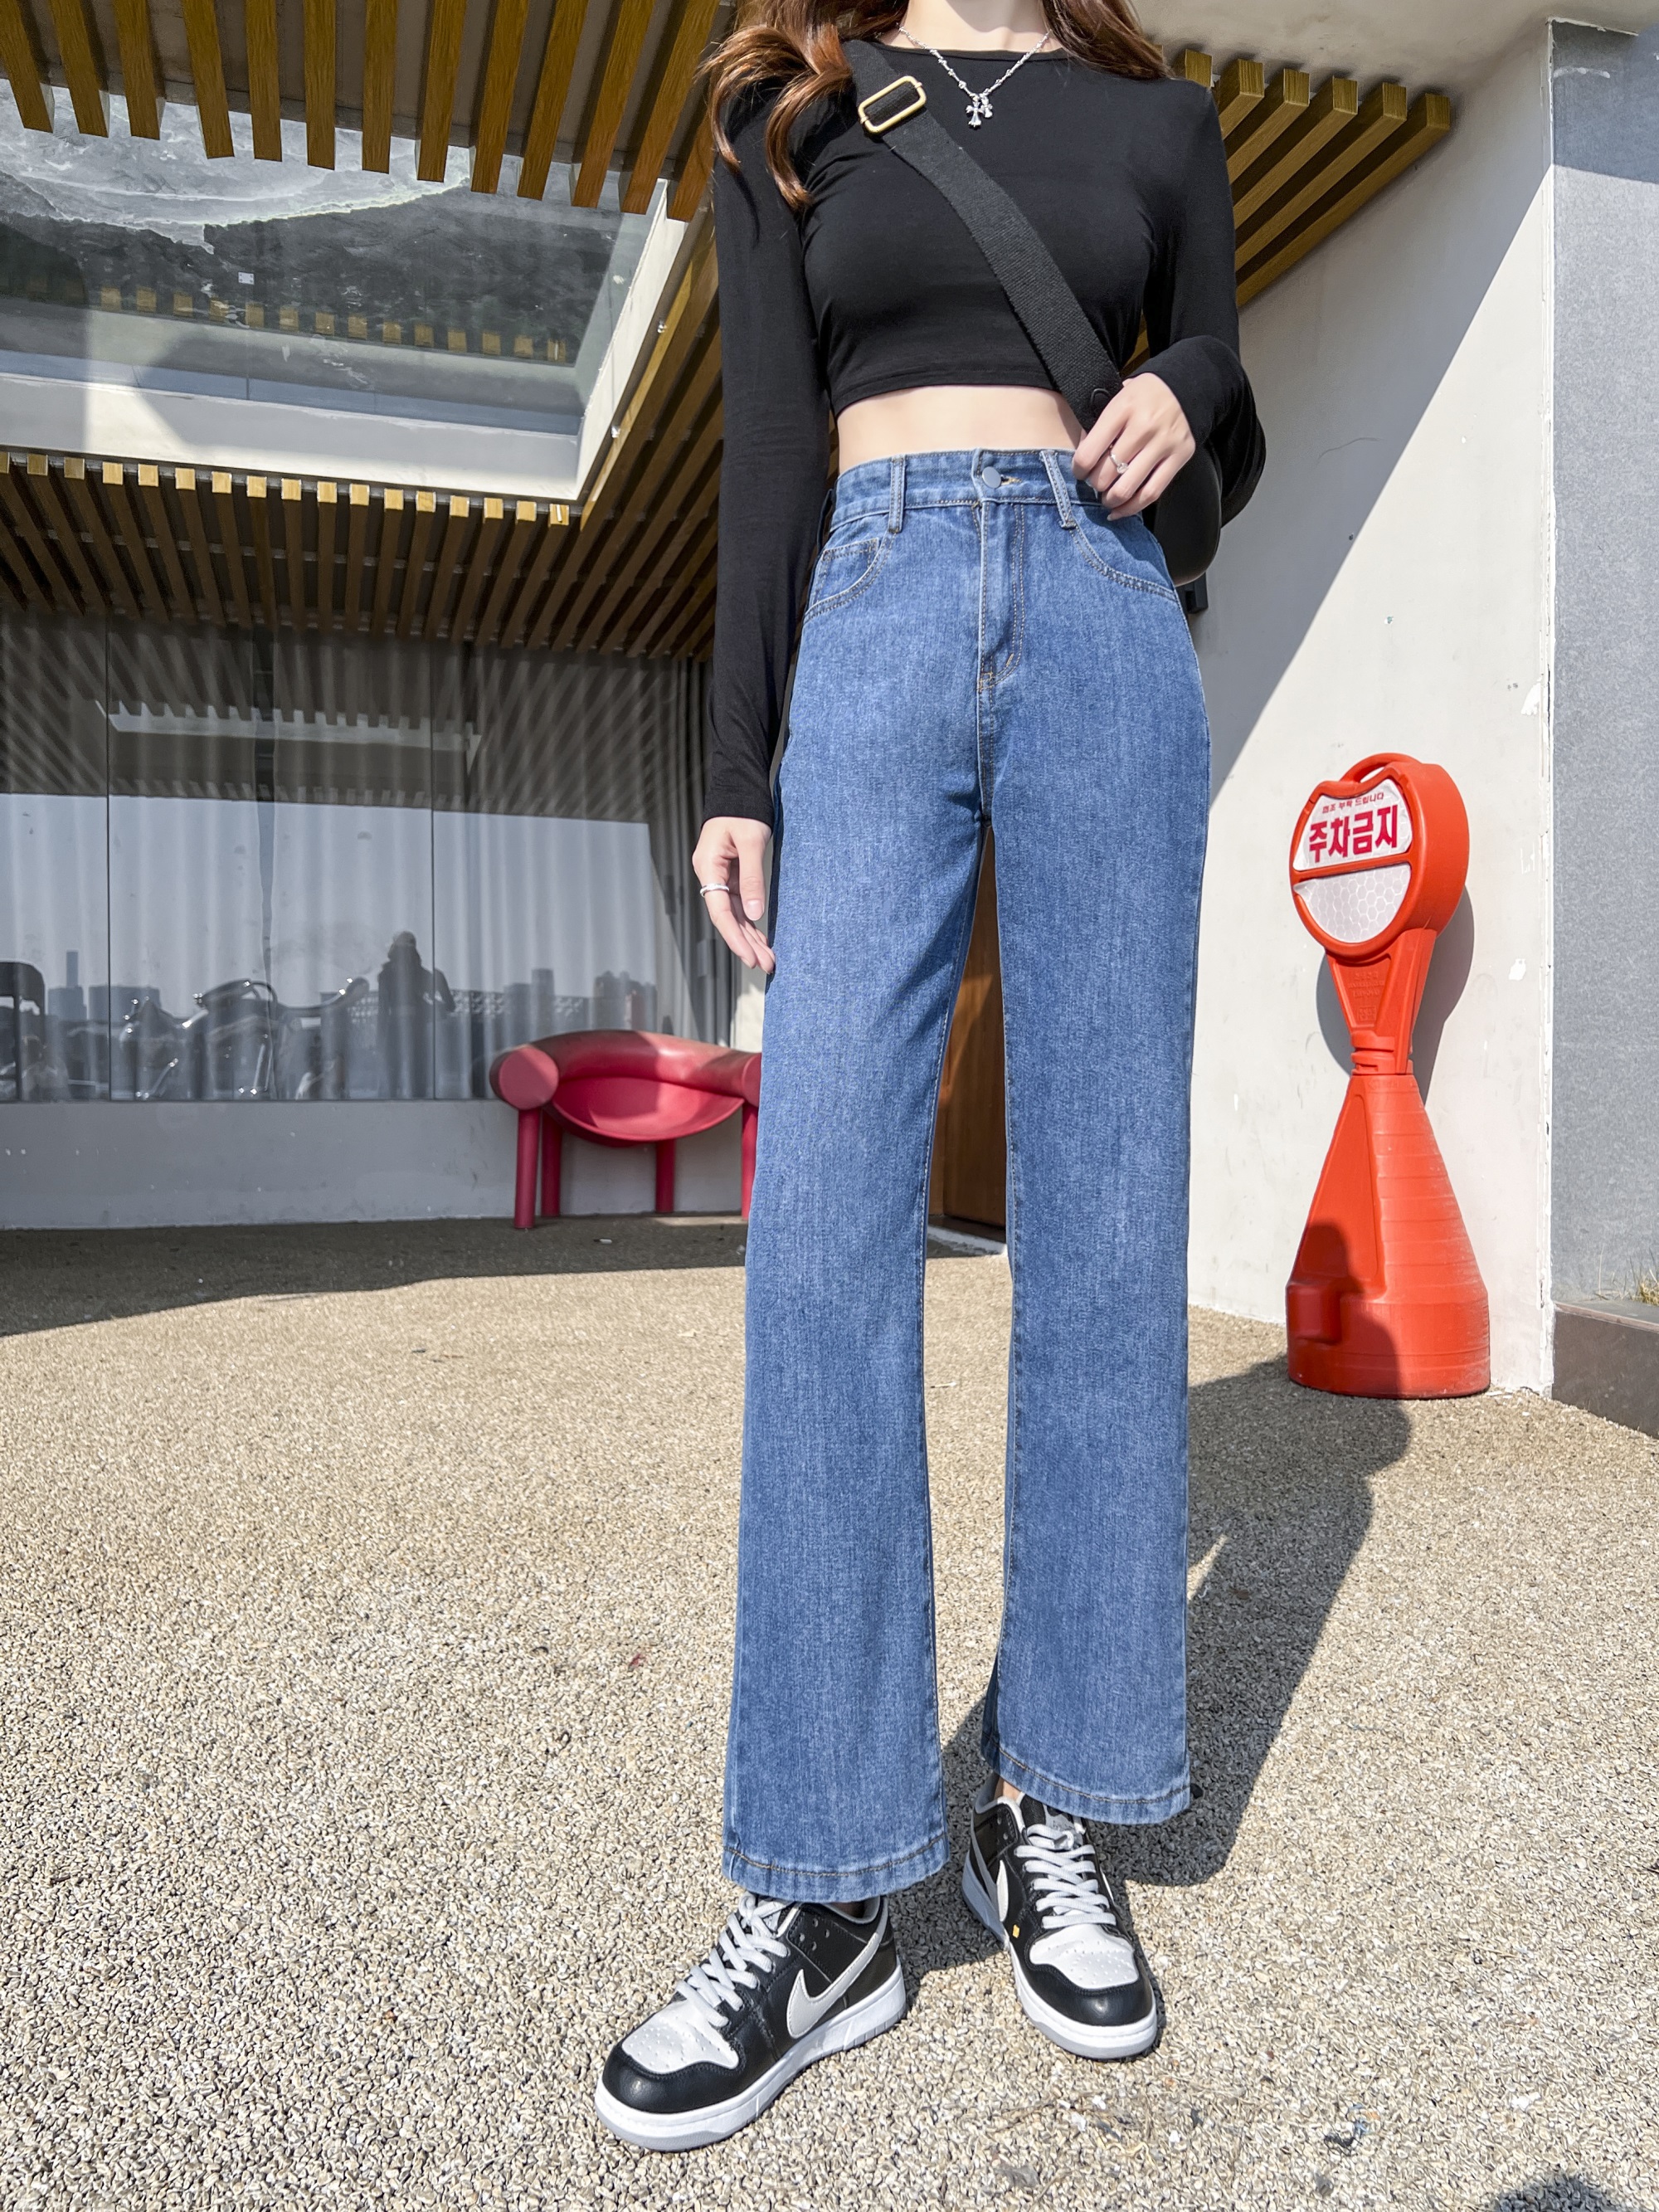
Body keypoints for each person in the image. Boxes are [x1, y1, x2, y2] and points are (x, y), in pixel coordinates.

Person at [595, 0, 1264, 2152]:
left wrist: (1186, 388)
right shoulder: (787, 111)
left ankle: (1048, 1806)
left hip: (1104, 618)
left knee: (1105, 1230)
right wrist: (735, 766)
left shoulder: (1162, 120)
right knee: (818, 1242)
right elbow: (763, 452)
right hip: (874, 616)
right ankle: (823, 1887)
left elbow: (1225, 402)